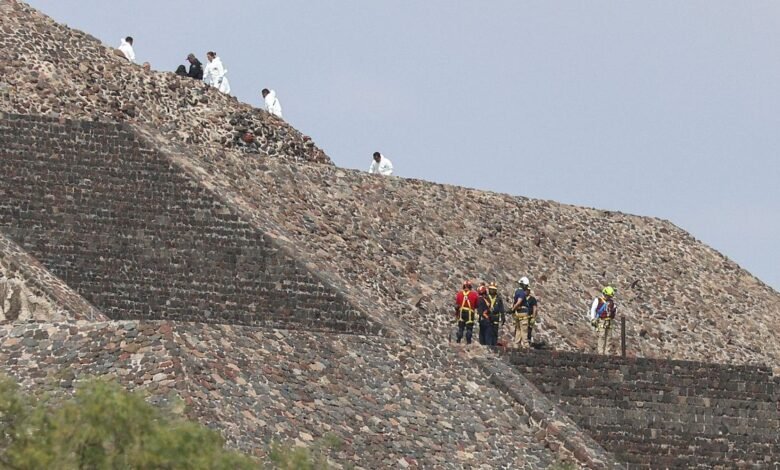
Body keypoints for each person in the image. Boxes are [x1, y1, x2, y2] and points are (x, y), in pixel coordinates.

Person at [511, 277, 538, 349]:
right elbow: (518, 302)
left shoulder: (517, 292)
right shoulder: (521, 293)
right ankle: (525, 345)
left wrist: (513, 310)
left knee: (519, 330)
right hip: (523, 314)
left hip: (521, 314)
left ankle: (517, 344)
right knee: (523, 330)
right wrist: (513, 309)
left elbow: (534, 308)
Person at [590, 286, 618, 355]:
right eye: (608, 296)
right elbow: (593, 309)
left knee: (609, 337)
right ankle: (600, 352)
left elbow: (615, 311)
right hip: (601, 320)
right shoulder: (598, 300)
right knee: (601, 336)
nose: (609, 297)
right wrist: (593, 318)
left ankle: (607, 352)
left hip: (609, 321)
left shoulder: (612, 303)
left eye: (610, 296)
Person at [454, 280, 478, 345]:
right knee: (469, 328)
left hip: (461, 312)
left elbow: (457, 305)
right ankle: (468, 342)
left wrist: (456, 314)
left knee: (461, 327)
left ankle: (458, 340)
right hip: (470, 313)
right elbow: (476, 305)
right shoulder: (474, 294)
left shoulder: (459, 294)